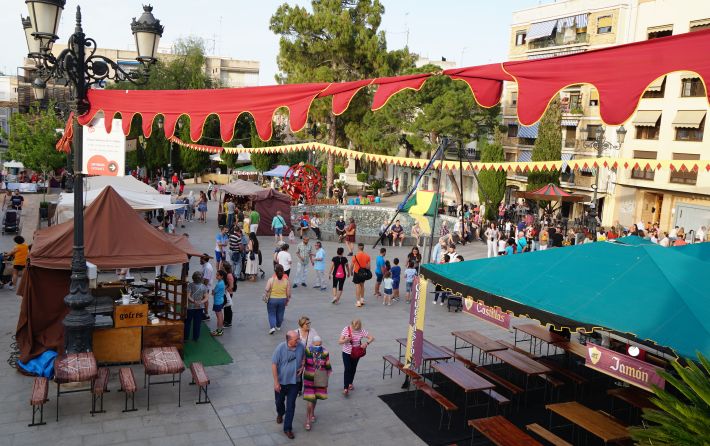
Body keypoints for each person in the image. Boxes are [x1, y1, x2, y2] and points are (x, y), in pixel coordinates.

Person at [271, 330, 306, 440]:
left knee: (291, 405)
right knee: (279, 402)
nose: (298, 341)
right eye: (296, 339)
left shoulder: (301, 346)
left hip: (294, 382)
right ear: (289, 340)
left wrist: (303, 366)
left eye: (299, 338)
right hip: (281, 383)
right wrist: (276, 382)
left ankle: (287, 429)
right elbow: (274, 365)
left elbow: (304, 357)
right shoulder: (280, 348)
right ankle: (280, 413)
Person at [338, 319, 374, 396]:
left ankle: (350, 383)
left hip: (356, 353)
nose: (356, 330)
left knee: (353, 368)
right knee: (347, 368)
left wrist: (366, 343)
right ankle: (345, 388)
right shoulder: (346, 329)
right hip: (346, 352)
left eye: (357, 328)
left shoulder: (361, 331)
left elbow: (371, 337)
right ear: (352, 325)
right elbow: (340, 341)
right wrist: (345, 340)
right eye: (354, 328)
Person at [302, 336, 331, 432]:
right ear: (312, 343)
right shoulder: (307, 350)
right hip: (309, 379)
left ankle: (312, 413)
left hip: (320, 378)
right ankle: (307, 420)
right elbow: (303, 362)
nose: (318, 347)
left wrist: (327, 377)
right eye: (316, 345)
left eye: (319, 345)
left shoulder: (325, 352)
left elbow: (327, 365)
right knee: (310, 400)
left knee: (315, 398)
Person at [265, 264, 291, 334]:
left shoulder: (271, 280)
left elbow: (266, 289)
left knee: (271, 313)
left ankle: (272, 327)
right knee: (280, 313)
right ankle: (278, 326)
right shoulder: (286, 281)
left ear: (275, 272)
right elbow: (288, 293)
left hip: (272, 299)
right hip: (282, 299)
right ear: (283, 271)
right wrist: (287, 299)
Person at [184, 271, 209, 341]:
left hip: (191, 307)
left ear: (193, 278)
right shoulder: (204, 287)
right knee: (197, 323)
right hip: (200, 307)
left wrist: (194, 301)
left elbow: (188, 296)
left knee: (188, 322)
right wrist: (200, 302)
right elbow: (206, 297)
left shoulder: (190, 285)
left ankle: (186, 337)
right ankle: (196, 337)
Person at [351, 243, 371, 307]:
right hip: (363, 272)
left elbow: (351, 265)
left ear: (358, 248)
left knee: (357, 286)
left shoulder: (355, 256)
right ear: (363, 248)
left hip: (357, 272)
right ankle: (362, 299)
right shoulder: (367, 256)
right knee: (362, 285)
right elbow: (368, 267)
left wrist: (350, 271)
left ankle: (358, 302)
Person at [211, 270, 226, 336]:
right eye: (216, 275)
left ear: (222, 276)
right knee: (220, 315)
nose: (216, 276)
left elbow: (213, 292)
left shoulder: (219, 284)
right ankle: (220, 329)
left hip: (217, 301)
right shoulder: (222, 282)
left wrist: (213, 291)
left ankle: (219, 330)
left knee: (219, 316)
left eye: (218, 275)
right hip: (221, 300)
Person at [223, 262, 235, 328]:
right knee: (226, 307)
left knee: (228, 308)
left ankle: (228, 322)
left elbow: (231, 286)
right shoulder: (228, 274)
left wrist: (225, 290)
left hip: (229, 293)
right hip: (228, 293)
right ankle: (226, 321)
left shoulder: (229, 275)